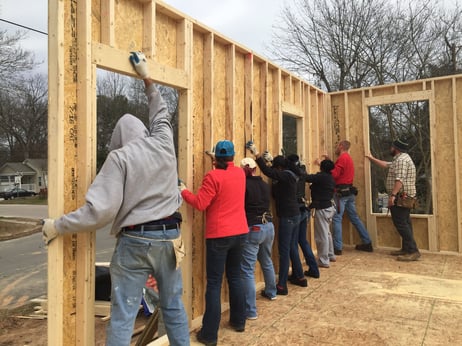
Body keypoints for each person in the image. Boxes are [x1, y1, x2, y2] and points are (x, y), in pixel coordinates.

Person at [41, 52, 190, 346]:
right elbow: (161, 111)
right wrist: (146, 77)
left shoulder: (119, 158)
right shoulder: (162, 141)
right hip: (171, 239)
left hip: (135, 241)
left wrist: (58, 225)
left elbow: (100, 211)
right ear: (144, 131)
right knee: (173, 305)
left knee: (123, 314)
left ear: (120, 139)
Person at [179, 140, 248, 345]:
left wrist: (183, 190)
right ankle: (239, 321)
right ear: (233, 157)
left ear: (216, 159)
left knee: (215, 284)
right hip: (240, 233)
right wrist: (217, 160)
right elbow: (226, 174)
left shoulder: (212, 176)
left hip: (219, 235)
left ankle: (209, 334)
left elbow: (200, 203)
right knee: (235, 277)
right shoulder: (240, 174)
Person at [246, 142, 307, 295]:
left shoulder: (286, 175)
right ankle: (299, 276)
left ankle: (281, 285)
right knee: (292, 246)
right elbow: (275, 174)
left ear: (280, 168)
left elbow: (268, 172)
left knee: (284, 251)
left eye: (276, 167)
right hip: (295, 215)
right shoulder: (292, 174)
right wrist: (272, 161)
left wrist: (257, 155)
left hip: (288, 217)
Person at [366, 139, 420, 261]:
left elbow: (399, 180)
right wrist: (371, 158)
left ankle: (413, 251)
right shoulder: (401, 159)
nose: (390, 148)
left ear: (396, 148)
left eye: (392, 146)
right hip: (404, 196)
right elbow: (386, 164)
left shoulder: (401, 161)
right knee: (405, 223)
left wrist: (393, 196)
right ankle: (407, 248)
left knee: (401, 224)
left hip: (401, 197)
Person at [240, 157, 277, 321]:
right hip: (268, 225)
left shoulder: (244, 185)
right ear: (255, 169)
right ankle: (271, 292)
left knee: (247, 269)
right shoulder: (263, 184)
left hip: (254, 227)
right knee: (266, 260)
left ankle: (251, 310)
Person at [321, 140, 373, 255]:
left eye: (336, 145)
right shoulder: (347, 158)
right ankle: (367, 242)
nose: (336, 148)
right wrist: (328, 160)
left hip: (341, 194)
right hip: (349, 192)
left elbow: (335, 174)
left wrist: (322, 168)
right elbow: (339, 170)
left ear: (341, 146)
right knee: (354, 218)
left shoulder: (342, 158)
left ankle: (337, 248)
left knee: (336, 218)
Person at [287, 154, 320, 279]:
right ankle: (314, 269)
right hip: (303, 208)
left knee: (293, 243)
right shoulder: (302, 172)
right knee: (303, 241)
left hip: (296, 210)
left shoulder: (291, 175)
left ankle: (298, 274)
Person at [304, 159, 337, 268]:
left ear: (321, 167)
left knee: (321, 235)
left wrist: (300, 169)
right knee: (327, 233)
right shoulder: (330, 177)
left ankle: (323, 260)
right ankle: (330, 254)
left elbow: (307, 178)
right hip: (329, 207)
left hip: (323, 209)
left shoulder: (322, 177)